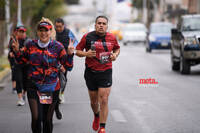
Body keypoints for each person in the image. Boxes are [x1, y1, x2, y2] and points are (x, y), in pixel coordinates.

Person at [12, 18, 74, 133]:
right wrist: (16, 52)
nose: (43, 33)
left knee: (47, 119)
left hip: (52, 87)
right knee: (36, 118)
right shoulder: (31, 45)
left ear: (51, 32)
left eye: (46, 30)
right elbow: (21, 61)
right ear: (37, 32)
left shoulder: (58, 47)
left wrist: (70, 55)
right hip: (34, 86)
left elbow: (68, 66)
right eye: (41, 30)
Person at [76, 15, 120, 133]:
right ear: (95, 25)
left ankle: (102, 127)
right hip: (91, 72)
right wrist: (86, 54)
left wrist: (115, 55)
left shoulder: (111, 37)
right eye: (99, 23)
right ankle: (96, 115)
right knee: (94, 101)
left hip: (105, 71)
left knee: (104, 100)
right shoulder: (87, 37)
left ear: (107, 26)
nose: (101, 25)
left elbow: (117, 49)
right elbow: (77, 51)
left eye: (104, 23)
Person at [54, 18, 78, 120]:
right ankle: (55, 99)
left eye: (60, 26)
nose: (58, 28)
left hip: (65, 58)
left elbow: (75, 44)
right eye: (57, 26)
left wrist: (70, 49)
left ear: (64, 25)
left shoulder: (69, 33)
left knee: (63, 78)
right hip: (54, 59)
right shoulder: (53, 33)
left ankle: (61, 94)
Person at [8, 25, 28, 106]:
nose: (22, 33)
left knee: (26, 81)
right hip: (17, 64)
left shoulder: (28, 41)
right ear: (17, 32)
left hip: (26, 64)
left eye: (23, 32)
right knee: (18, 80)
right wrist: (11, 53)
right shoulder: (14, 40)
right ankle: (20, 99)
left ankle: (23, 94)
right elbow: (10, 50)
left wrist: (22, 50)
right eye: (20, 32)